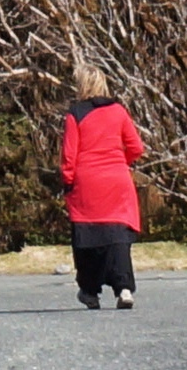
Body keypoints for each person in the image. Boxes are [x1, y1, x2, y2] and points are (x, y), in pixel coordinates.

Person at [60, 71, 147, 310]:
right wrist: (121, 162)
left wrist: (67, 182)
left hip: (87, 180)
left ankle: (90, 291)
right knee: (118, 235)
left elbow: (69, 155)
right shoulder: (119, 111)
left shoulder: (76, 114)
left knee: (87, 238)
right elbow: (136, 147)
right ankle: (125, 288)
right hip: (118, 179)